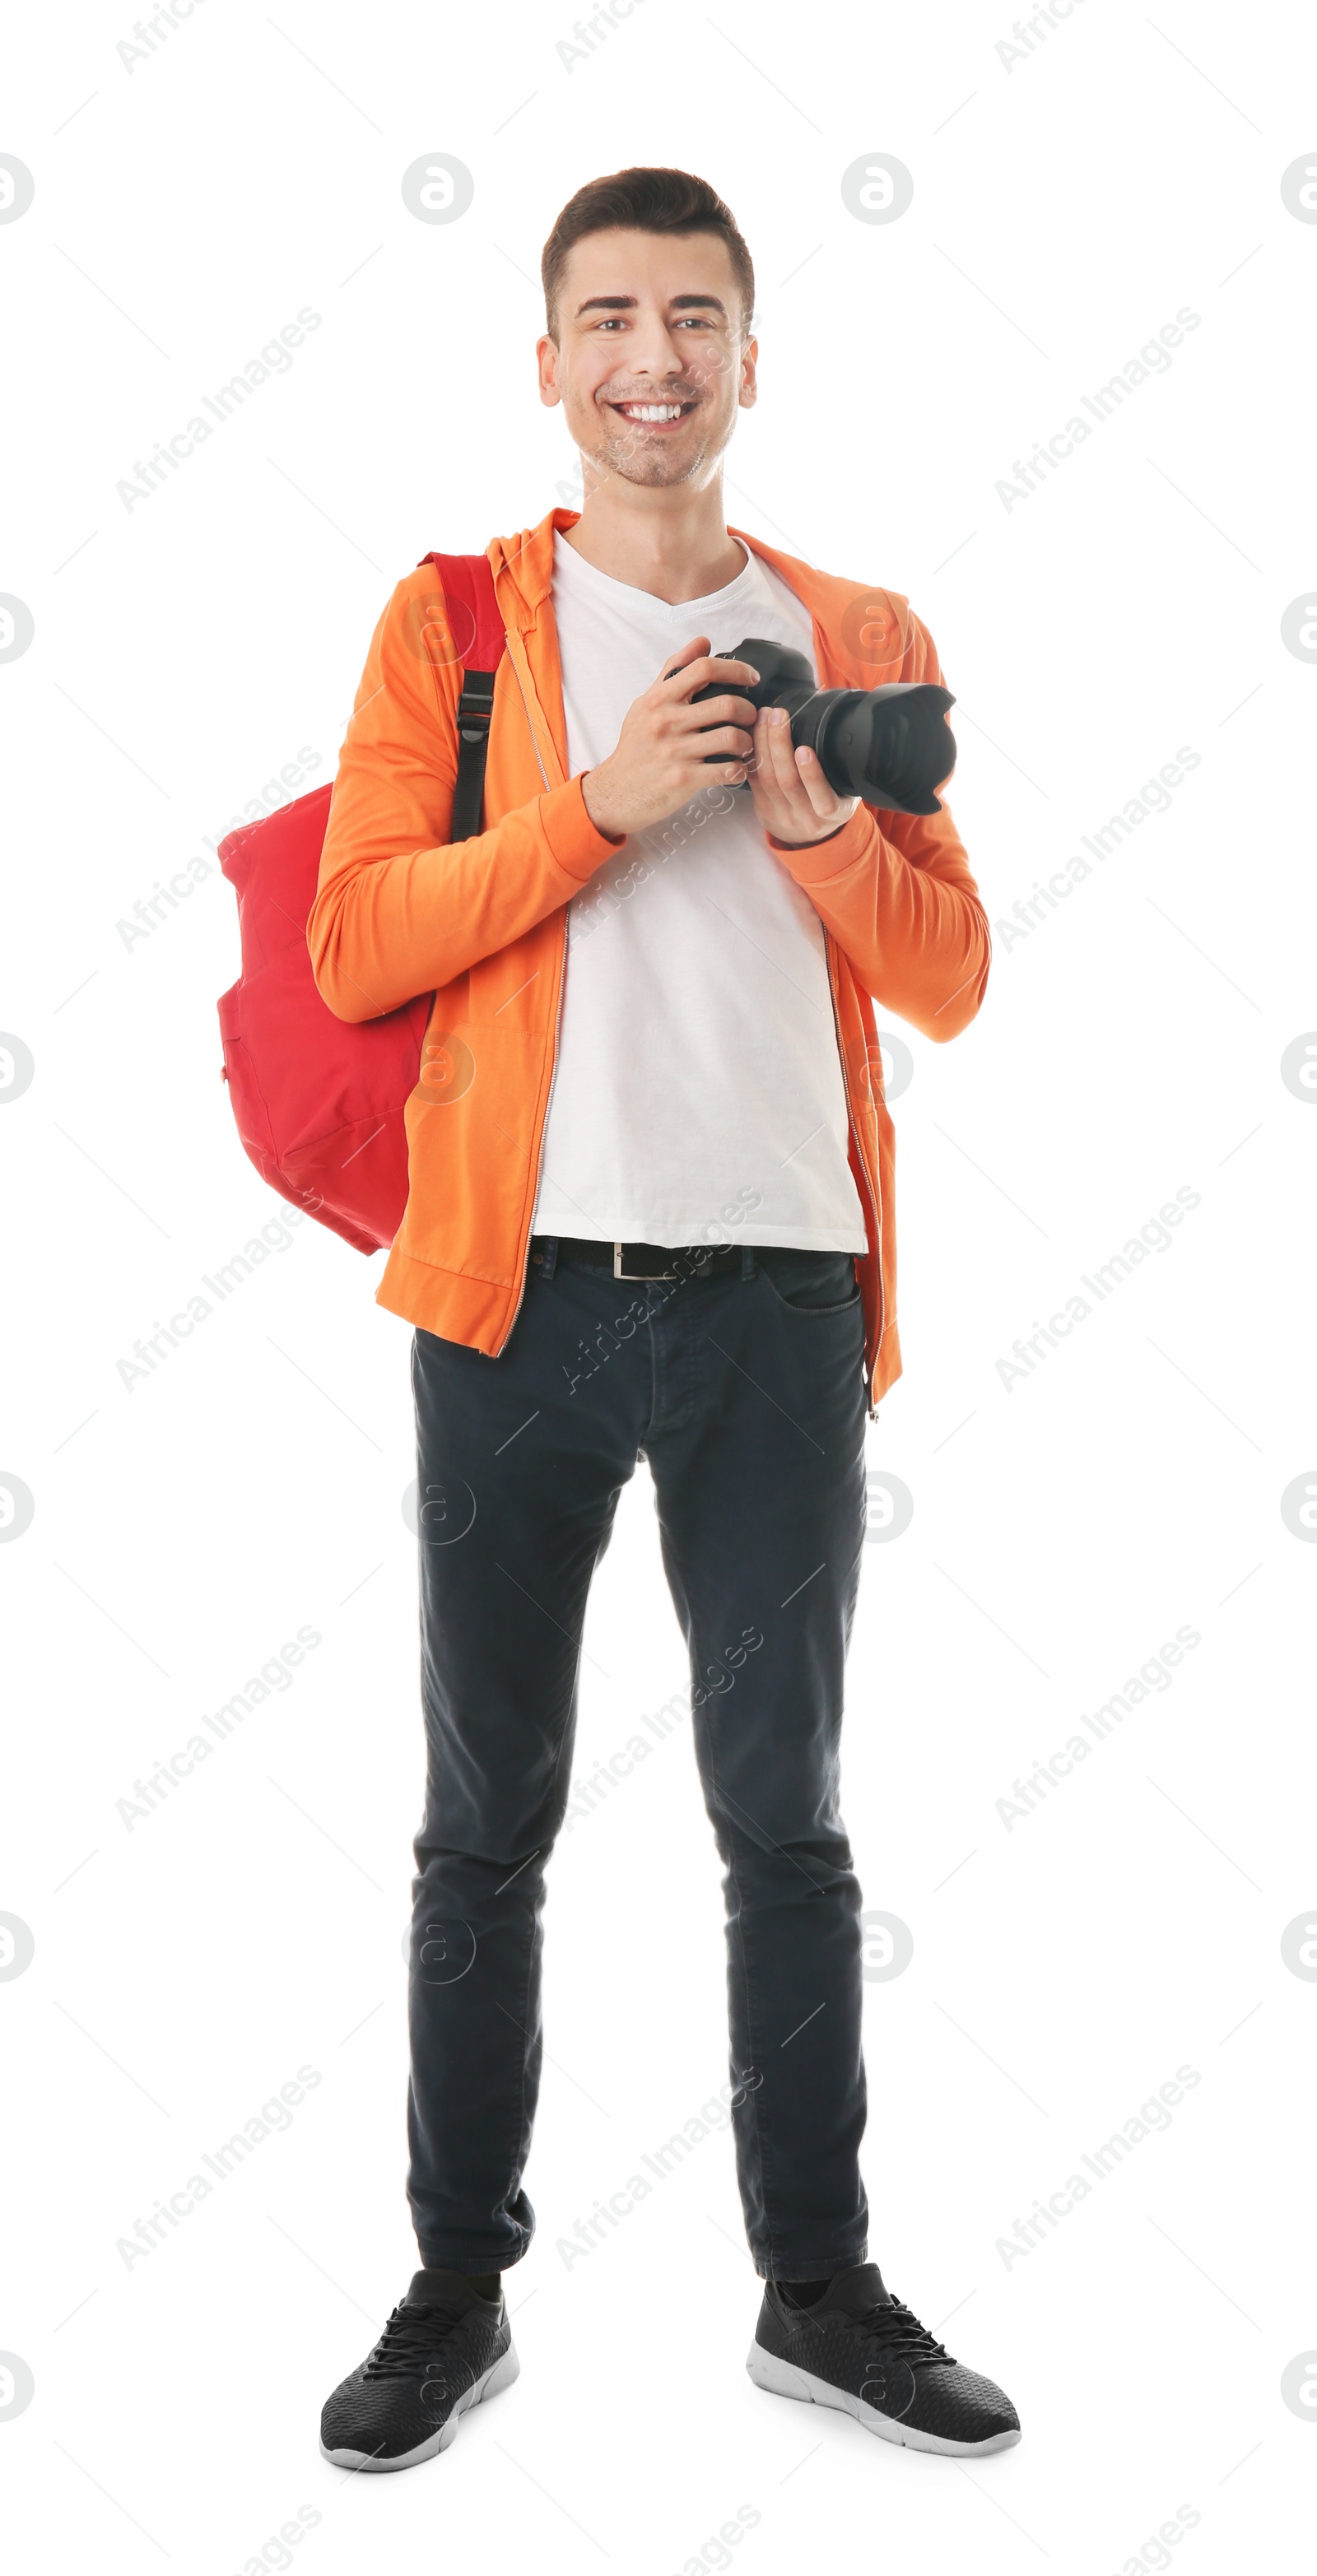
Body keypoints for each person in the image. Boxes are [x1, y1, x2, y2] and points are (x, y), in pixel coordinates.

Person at [309, 165, 1017, 2471]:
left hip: (780, 1306)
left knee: (783, 1818)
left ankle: (817, 2285)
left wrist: (818, 831)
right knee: (481, 1815)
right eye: (606, 316)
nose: (650, 356)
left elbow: (954, 974)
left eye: (693, 315)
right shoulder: (457, 626)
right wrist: (604, 808)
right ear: (549, 363)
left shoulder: (862, 621)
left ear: (747, 351)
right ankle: (451, 2282)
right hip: (513, 1298)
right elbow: (359, 942)